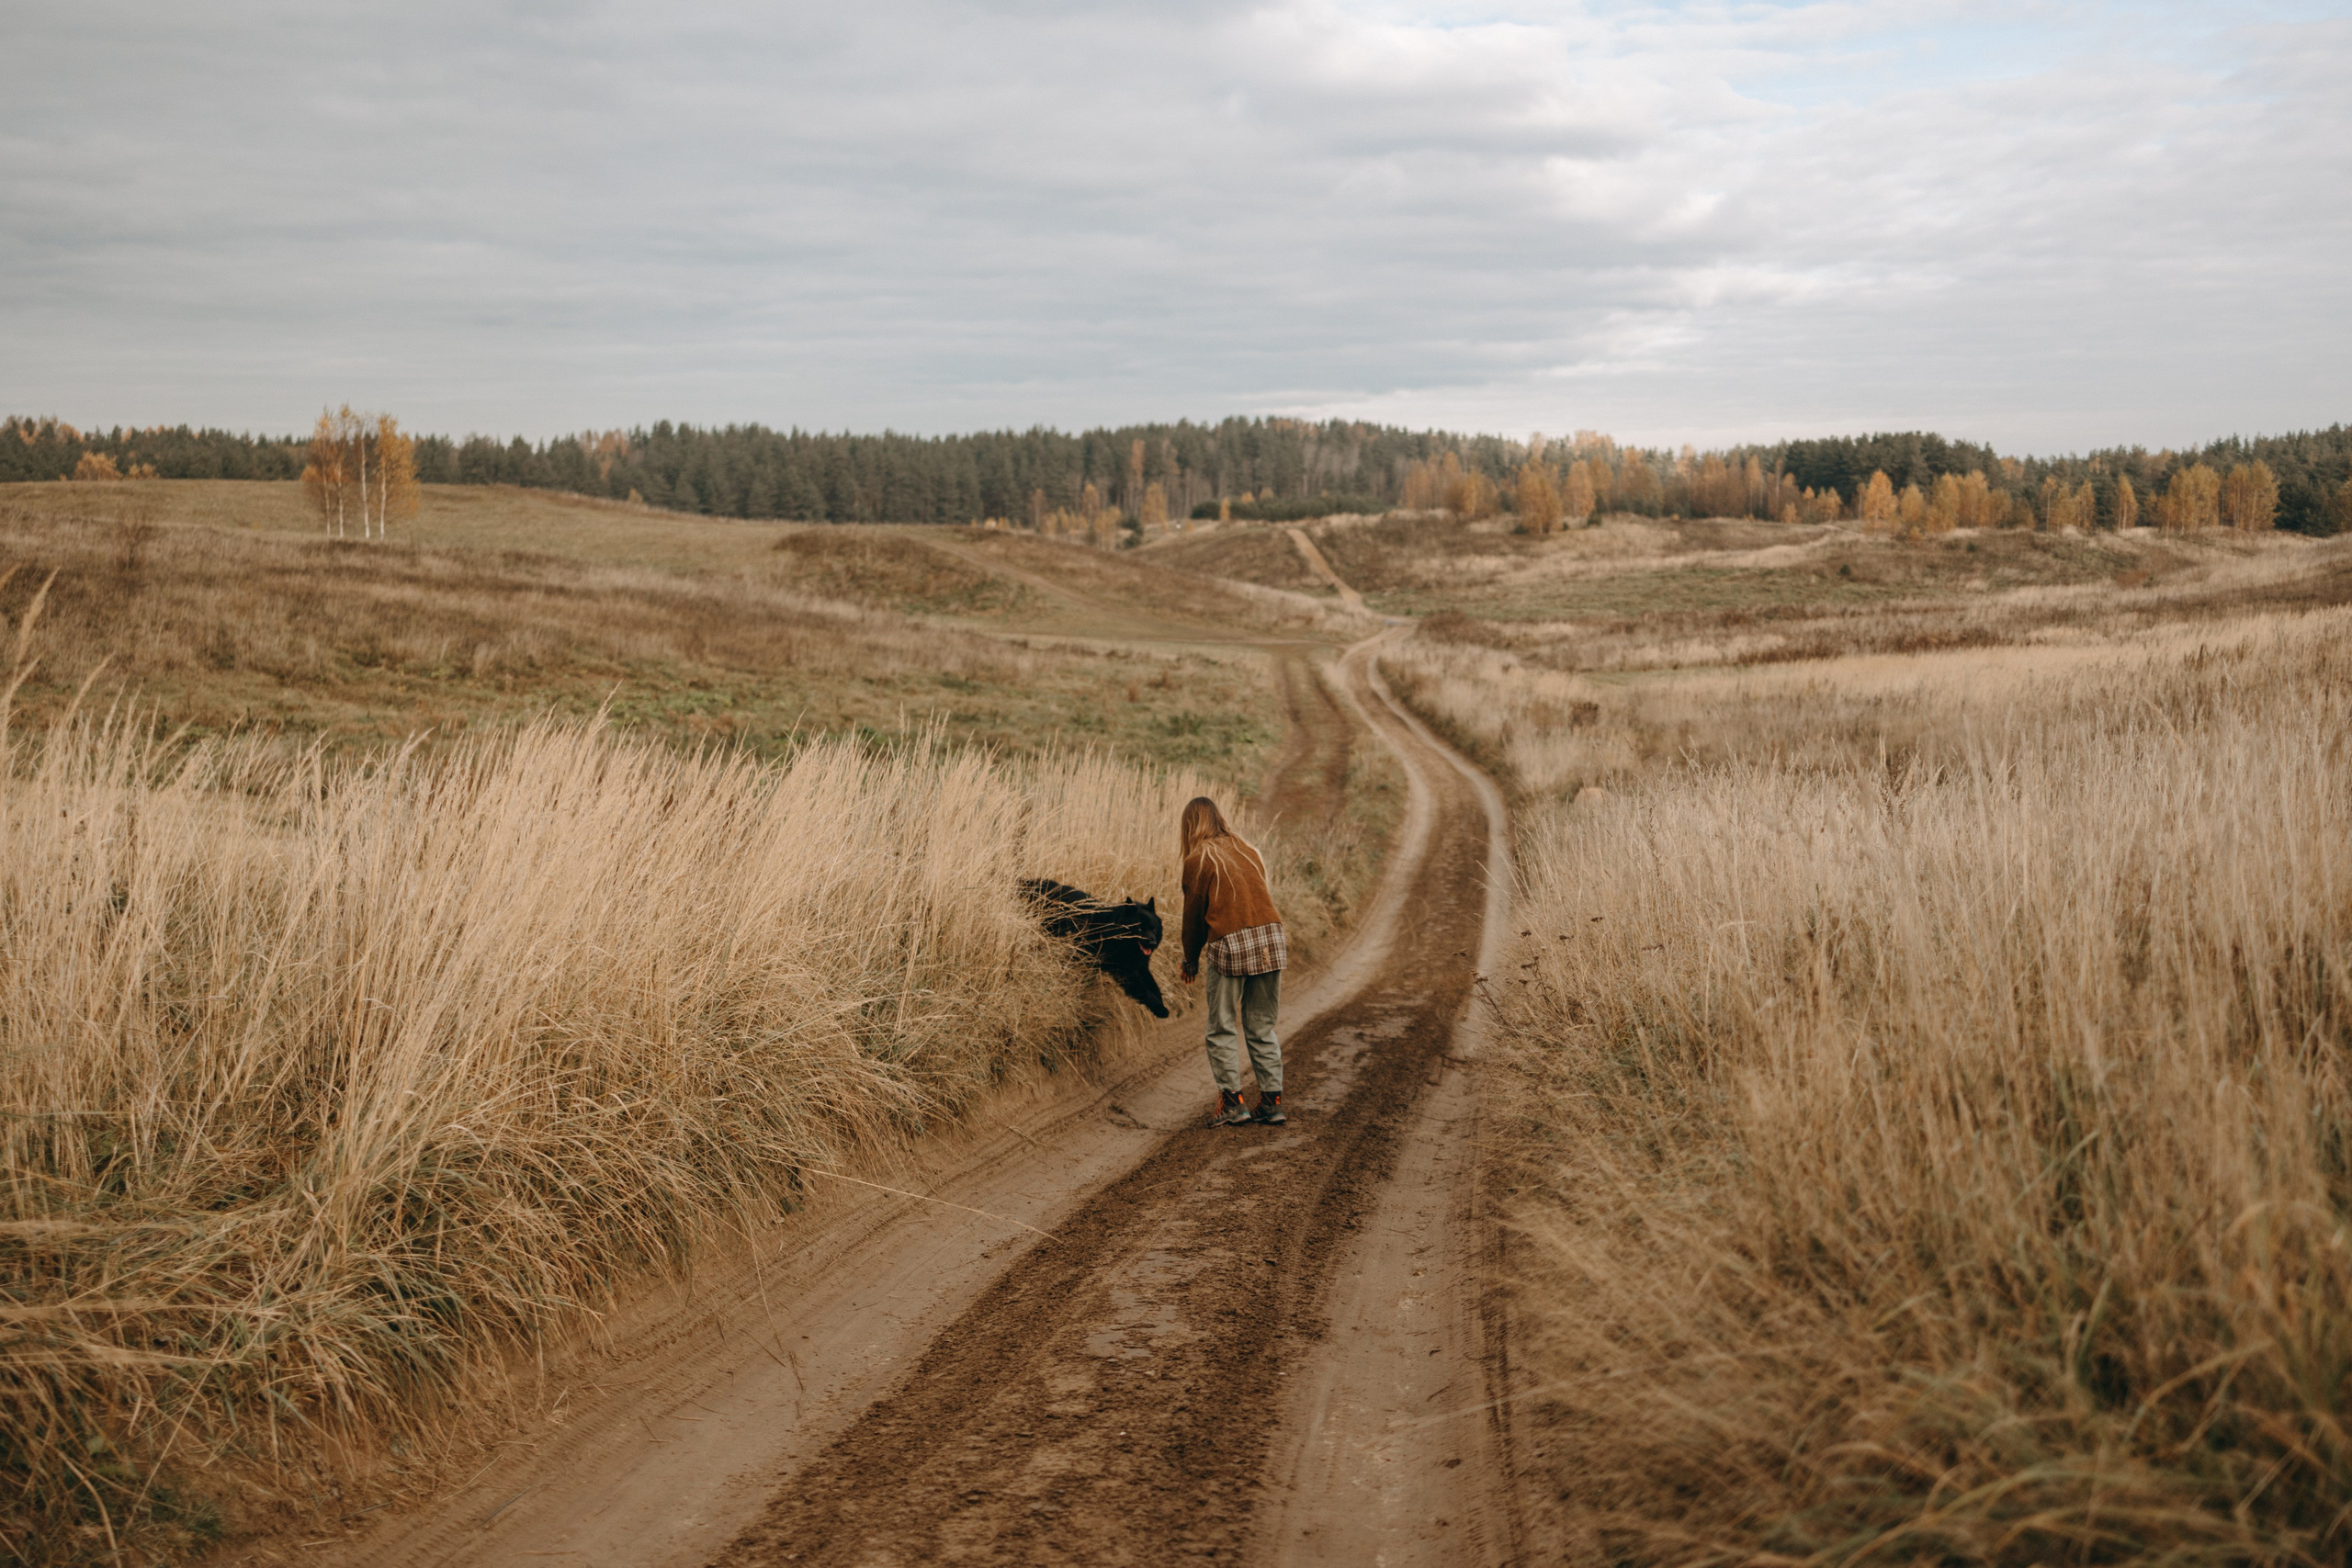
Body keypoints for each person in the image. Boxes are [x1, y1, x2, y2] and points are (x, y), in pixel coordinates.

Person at [1177, 795, 1286, 1127]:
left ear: (1190, 825)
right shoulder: (1248, 849)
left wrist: (1190, 960)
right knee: (1261, 1026)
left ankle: (1233, 1103)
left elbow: (1193, 919)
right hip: (1272, 940)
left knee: (1221, 1027)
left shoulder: (1200, 858)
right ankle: (1271, 1102)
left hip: (1231, 945)